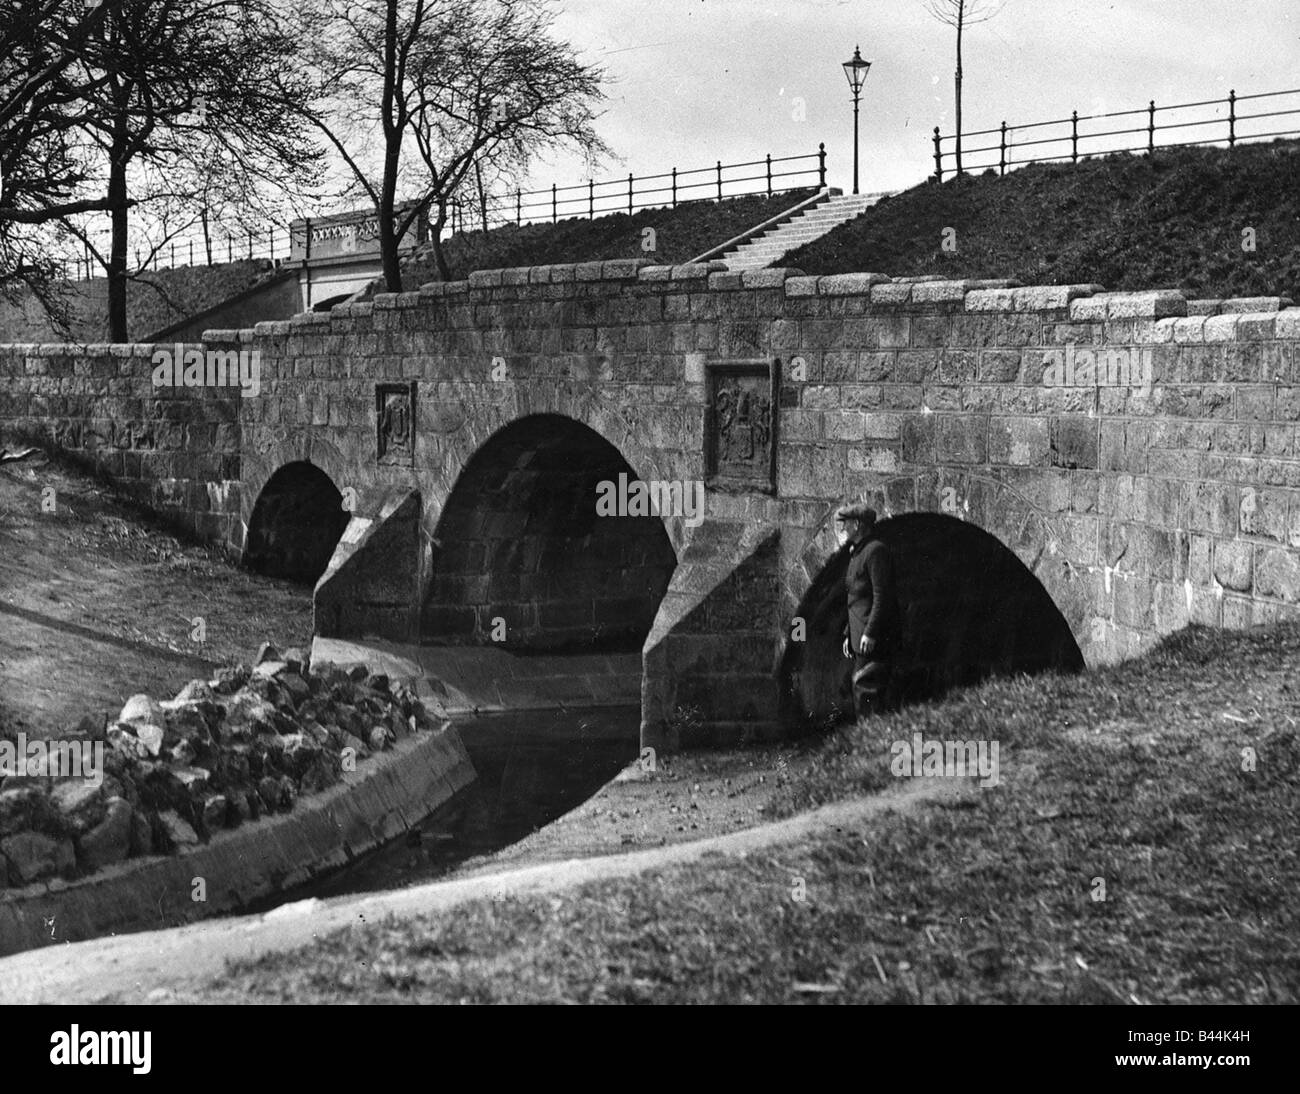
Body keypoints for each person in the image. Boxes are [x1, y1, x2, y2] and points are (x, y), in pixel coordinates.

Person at [837, 504, 900, 719]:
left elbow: (883, 597)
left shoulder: (875, 551)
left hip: (874, 637)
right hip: (860, 635)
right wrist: (848, 633)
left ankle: (871, 740)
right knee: (861, 686)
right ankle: (869, 738)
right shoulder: (858, 554)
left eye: (846, 523)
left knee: (865, 686)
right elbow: (855, 599)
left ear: (857, 525)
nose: (843, 528)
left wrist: (870, 632)